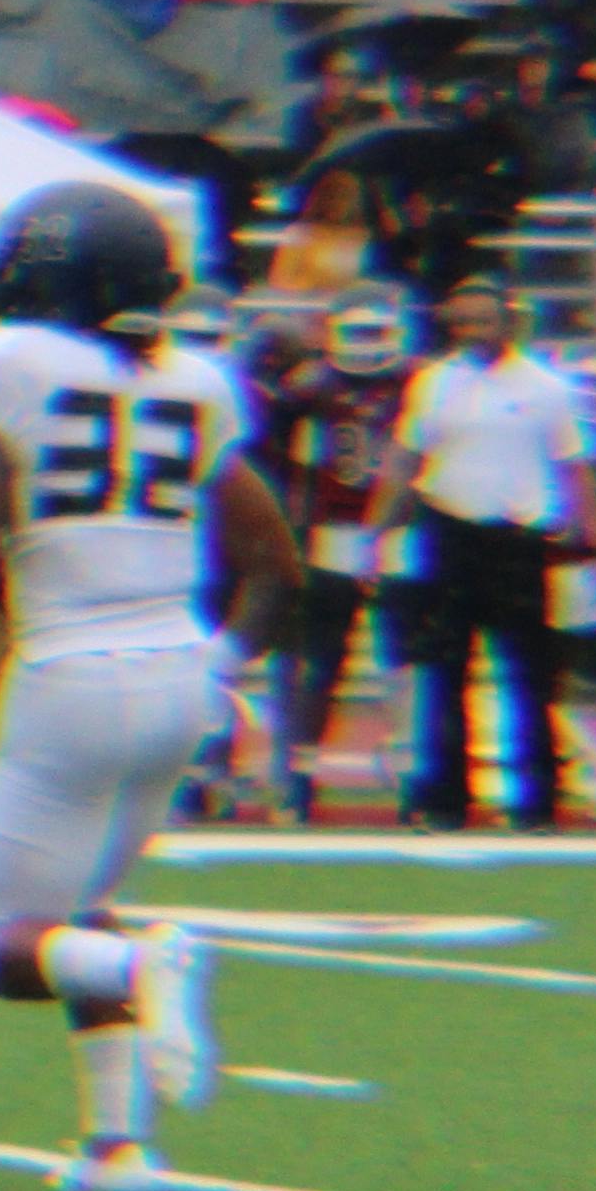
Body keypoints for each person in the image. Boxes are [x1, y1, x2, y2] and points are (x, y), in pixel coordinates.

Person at [0, 186, 294, 1190]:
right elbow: (276, 566)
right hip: (180, 678)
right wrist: (219, 668)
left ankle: (141, 966)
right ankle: (117, 1145)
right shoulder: (202, 380)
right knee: (78, 909)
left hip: (71, 676)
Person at [374, 273, 589, 830]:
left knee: (530, 675)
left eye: (484, 321)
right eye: (463, 322)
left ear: (509, 321)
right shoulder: (434, 382)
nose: (473, 331)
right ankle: (447, 800)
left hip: (520, 540)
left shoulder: (547, 386)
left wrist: (587, 536)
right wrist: (381, 530)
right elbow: (407, 459)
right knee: (446, 671)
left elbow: (574, 464)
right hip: (451, 533)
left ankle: (538, 801)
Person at [256, 288, 420, 817]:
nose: (369, 346)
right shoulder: (311, 389)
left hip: (401, 531)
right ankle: (299, 770)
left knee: (404, 657)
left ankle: (412, 765)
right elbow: (281, 460)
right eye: (360, 333)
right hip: (335, 529)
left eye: (377, 332)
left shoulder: (419, 383)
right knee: (322, 658)